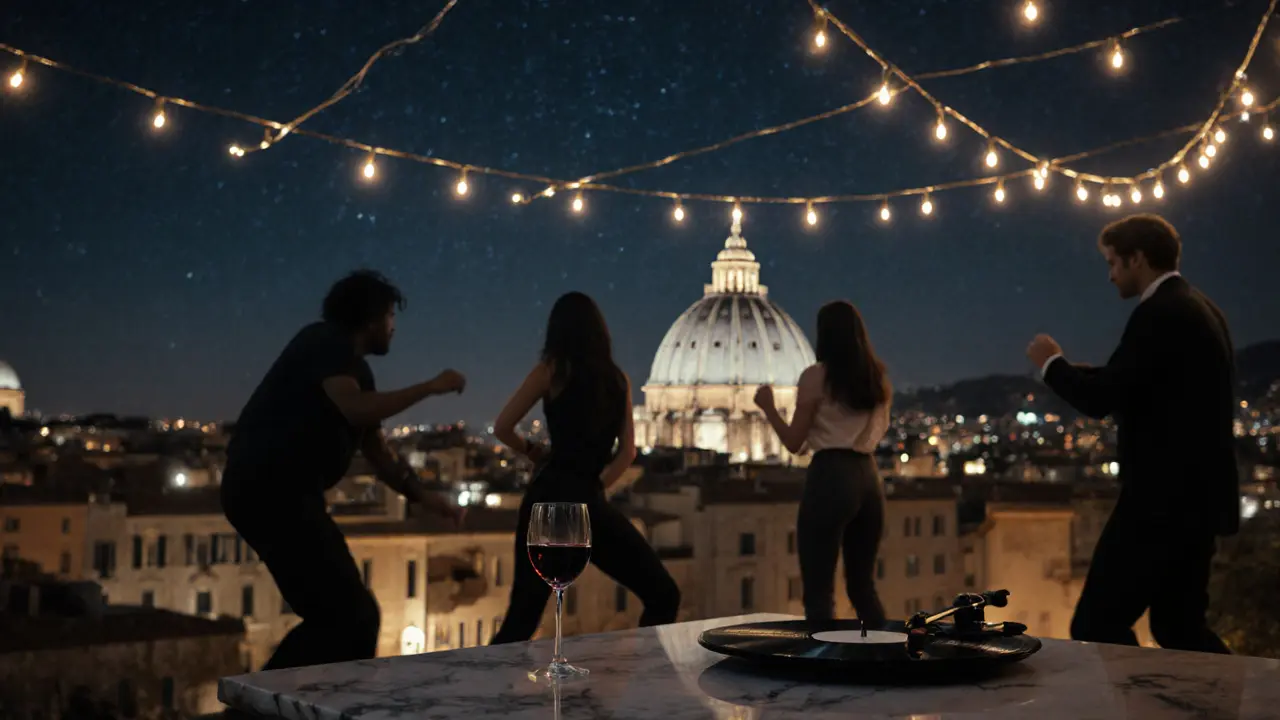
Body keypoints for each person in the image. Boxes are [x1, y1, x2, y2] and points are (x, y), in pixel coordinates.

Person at [221, 270, 466, 670]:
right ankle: (256, 703)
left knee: (342, 617)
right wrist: (429, 387)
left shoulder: (353, 370)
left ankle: (260, 701)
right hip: (270, 492)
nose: (393, 328)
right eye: (390, 316)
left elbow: (379, 454)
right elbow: (353, 409)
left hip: (279, 495)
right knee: (351, 617)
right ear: (371, 318)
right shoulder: (324, 342)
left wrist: (428, 500)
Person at [1026, 214, 1237, 653]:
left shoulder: (1158, 313)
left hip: (1159, 503)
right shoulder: (1200, 309)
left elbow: (1102, 398)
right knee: (1180, 629)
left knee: (1097, 623)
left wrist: (1052, 364)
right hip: (1199, 501)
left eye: (1113, 263)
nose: (1110, 275)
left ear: (1137, 258)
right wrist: (1093, 373)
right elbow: (1147, 382)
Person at [490, 292, 680, 643]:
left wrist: (533, 451)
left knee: (522, 619)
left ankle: (485, 694)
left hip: (546, 501)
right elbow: (627, 453)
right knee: (663, 593)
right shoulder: (617, 379)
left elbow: (502, 426)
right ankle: (649, 677)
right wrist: (595, 487)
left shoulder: (552, 370)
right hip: (588, 503)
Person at [754, 300, 891, 626]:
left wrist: (769, 408)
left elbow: (794, 443)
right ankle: (886, 660)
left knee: (818, 589)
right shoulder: (879, 379)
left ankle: (821, 667)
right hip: (870, 479)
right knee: (862, 587)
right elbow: (877, 431)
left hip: (831, 476)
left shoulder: (816, 377)